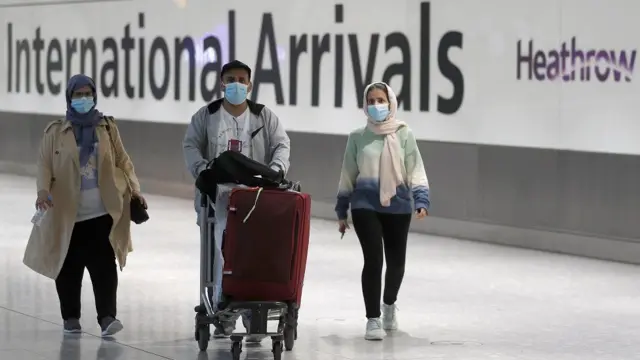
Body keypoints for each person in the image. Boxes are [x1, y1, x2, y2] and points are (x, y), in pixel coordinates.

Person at [22, 74, 146, 337]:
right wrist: (43, 190)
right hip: (67, 214)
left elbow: (124, 162)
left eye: (87, 93)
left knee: (104, 265)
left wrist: (135, 189)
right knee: (68, 267)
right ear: (69, 98)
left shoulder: (107, 128)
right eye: (77, 95)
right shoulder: (55, 131)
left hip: (102, 211)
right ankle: (70, 317)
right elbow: (44, 164)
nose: (83, 99)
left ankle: (107, 317)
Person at [182, 60, 291, 342]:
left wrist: (278, 168)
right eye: (231, 79)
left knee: (254, 253)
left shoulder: (264, 116)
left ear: (250, 85)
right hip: (219, 198)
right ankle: (222, 305)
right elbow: (191, 145)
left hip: (255, 198)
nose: (236, 85)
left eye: (242, 80)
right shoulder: (206, 115)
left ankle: (251, 311)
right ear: (221, 83)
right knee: (222, 249)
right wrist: (202, 169)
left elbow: (281, 144)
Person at [335, 82, 430, 341]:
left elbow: (415, 168)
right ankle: (372, 318)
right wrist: (342, 210)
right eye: (371, 101)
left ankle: (389, 305)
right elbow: (347, 175)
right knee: (374, 259)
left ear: (390, 102)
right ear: (365, 106)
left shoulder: (403, 133)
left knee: (397, 263)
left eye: (381, 99)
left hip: (398, 205)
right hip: (365, 204)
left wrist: (421, 199)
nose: (376, 105)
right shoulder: (357, 137)